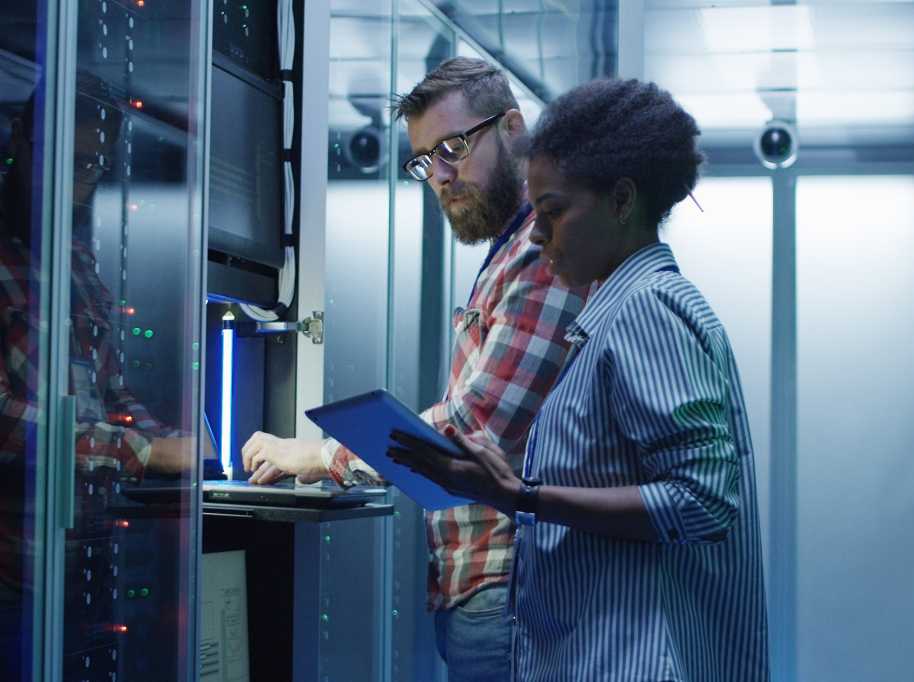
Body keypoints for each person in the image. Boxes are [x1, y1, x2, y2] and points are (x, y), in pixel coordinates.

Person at [388, 78, 771, 681]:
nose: (536, 236)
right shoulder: (617, 311)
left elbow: (701, 502)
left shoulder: (645, 307)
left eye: (553, 212)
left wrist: (522, 498)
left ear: (621, 201)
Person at [240, 58, 589, 680]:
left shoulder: (541, 251)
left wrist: (322, 455)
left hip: (511, 587)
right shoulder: (512, 251)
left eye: (454, 147)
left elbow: (472, 429)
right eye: (425, 160)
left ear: (513, 128)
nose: (441, 176)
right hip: (486, 590)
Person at [0, 79, 194, 680]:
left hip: (83, 564)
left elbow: (110, 392)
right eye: (62, 158)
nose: (75, 179)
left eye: (90, 164)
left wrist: (182, 445)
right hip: (12, 573)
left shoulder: (75, 261)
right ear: (24, 142)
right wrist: (144, 451)